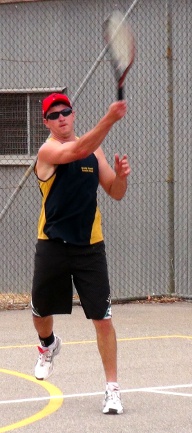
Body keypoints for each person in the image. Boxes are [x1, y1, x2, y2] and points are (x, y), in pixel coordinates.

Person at [31, 92, 130, 415]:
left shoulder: (95, 152)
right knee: (40, 312)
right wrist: (110, 118)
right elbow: (76, 149)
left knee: (103, 320)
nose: (62, 117)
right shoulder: (48, 150)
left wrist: (123, 178)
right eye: (54, 114)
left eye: (66, 112)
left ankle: (112, 389)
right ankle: (48, 345)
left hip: (89, 247)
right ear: (46, 122)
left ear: (73, 115)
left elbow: (115, 193)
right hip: (53, 243)